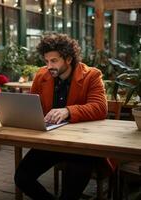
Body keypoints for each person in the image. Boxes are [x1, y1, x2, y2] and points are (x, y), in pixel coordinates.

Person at [14, 33, 115, 200]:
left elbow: (100, 108)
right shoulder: (42, 75)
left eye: (54, 61)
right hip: (51, 142)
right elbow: (32, 107)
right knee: (22, 178)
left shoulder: (92, 75)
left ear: (68, 59)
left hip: (81, 146)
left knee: (69, 193)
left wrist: (68, 111)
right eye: (46, 61)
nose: (49, 66)